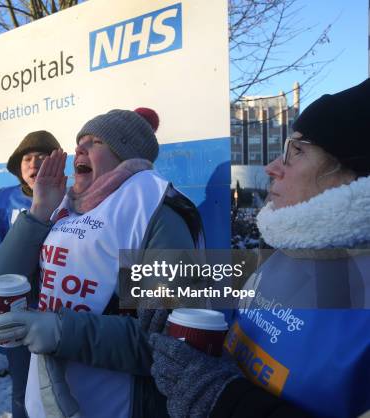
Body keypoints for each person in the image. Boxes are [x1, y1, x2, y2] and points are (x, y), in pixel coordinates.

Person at [149, 79, 370, 418]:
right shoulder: (287, 250)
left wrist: (222, 401)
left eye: (297, 151)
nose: (272, 168)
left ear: (353, 175)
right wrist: (181, 318)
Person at [0, 108, 205, 418]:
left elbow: (171, 343)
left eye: (95, 141)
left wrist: (62, 332)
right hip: (48, 402)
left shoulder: (157, 211)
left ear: (124, 152)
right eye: (79, 140)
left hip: (115, 405)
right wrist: (38, 211)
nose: (79, 148)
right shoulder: (65, 204)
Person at [0, 130, 61, 418]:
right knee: (23, 386)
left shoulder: (70, 197)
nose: (33, 164)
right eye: (27, 158)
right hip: (14, 310)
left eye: (41, 158)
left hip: (57, 309)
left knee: (58, 386)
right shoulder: (5, 198)